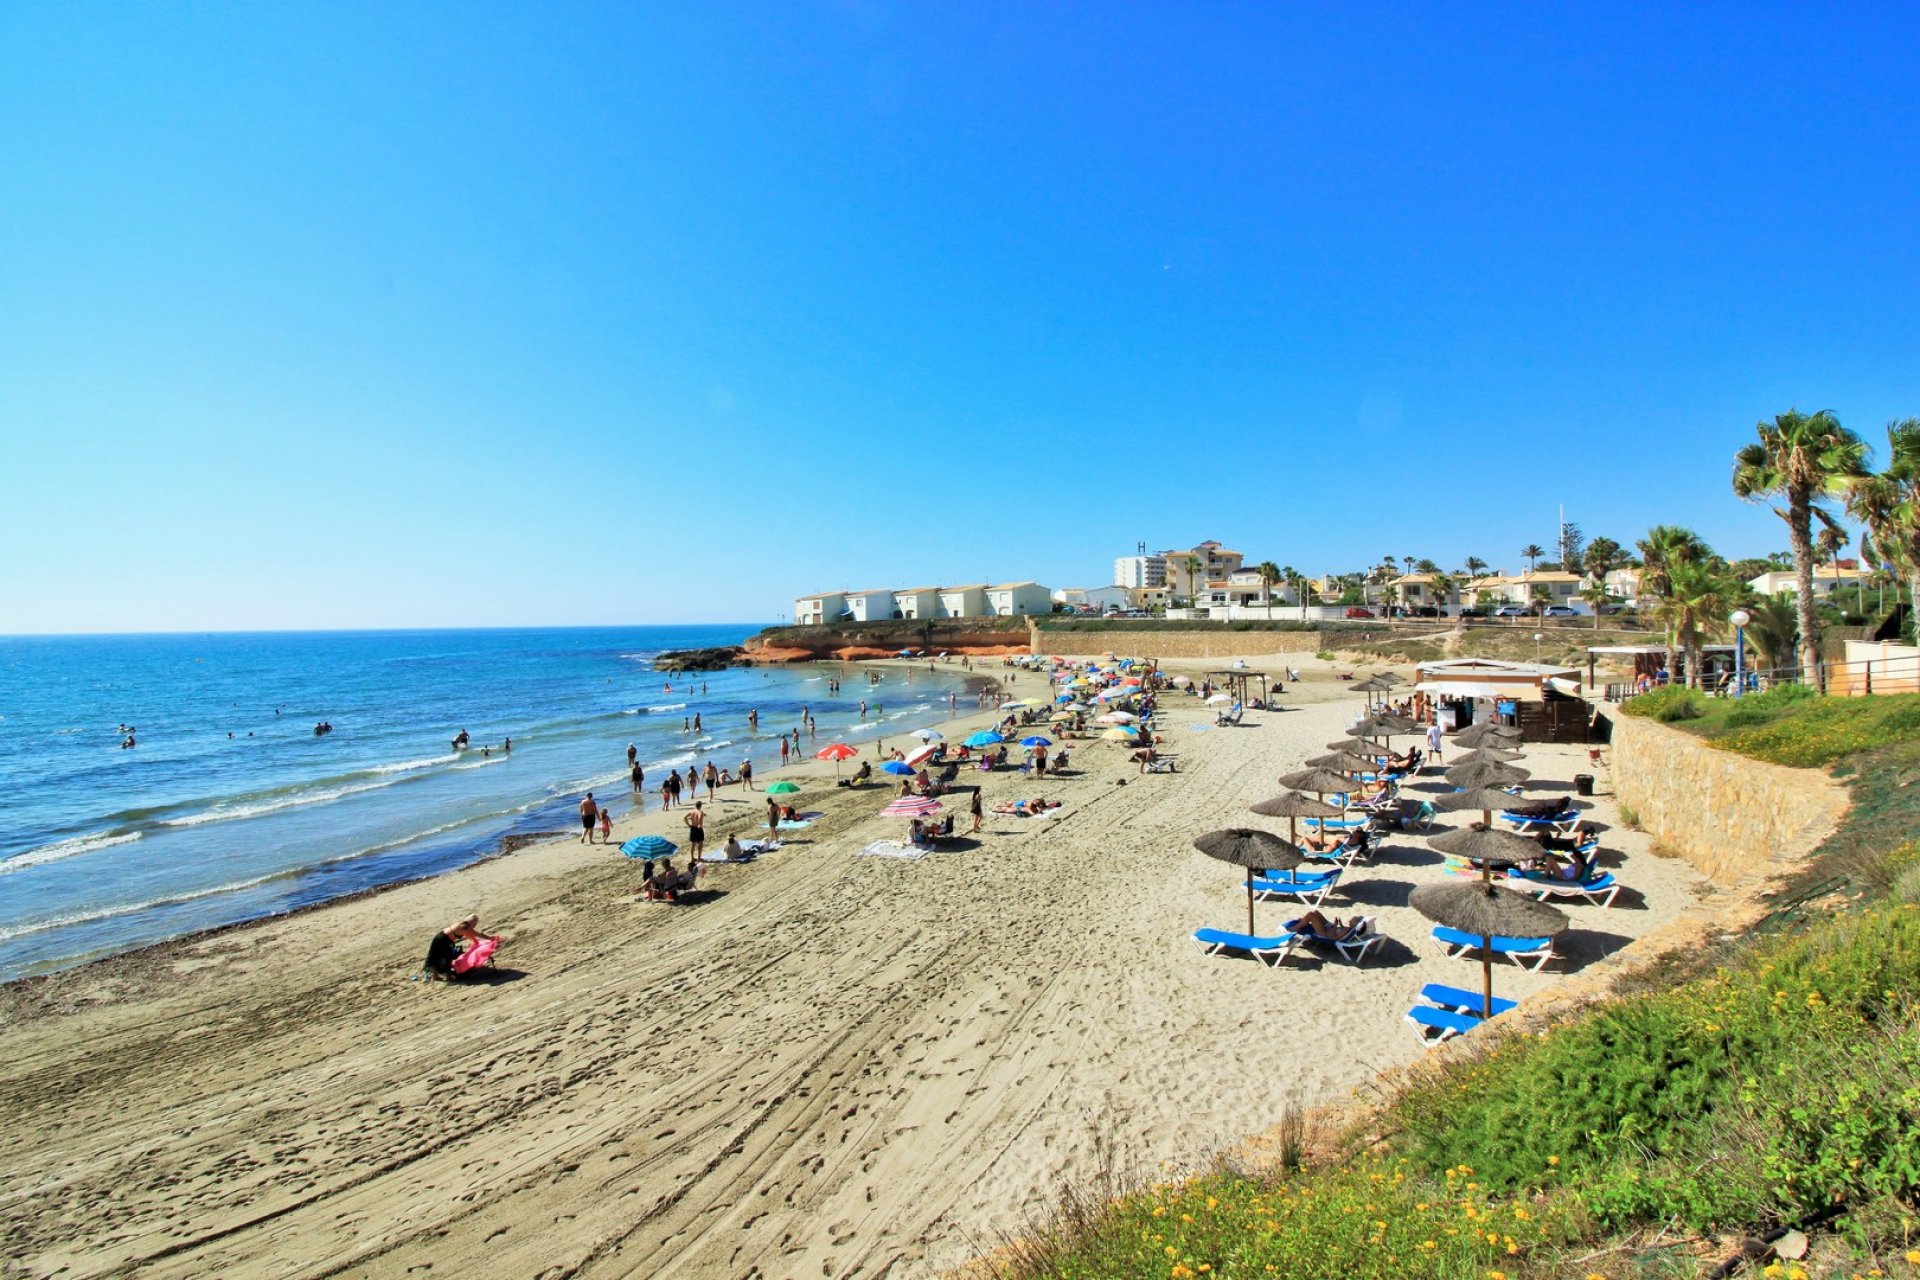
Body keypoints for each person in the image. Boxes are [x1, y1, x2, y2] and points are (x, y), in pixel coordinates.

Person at [424, 916, 496, 980]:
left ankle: (436, 975)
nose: (475, 925)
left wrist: (475, 941)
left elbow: (467, 934)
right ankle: (447, 976)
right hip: (443, 939)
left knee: (437, 955)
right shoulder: (465, 926)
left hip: (442, 937)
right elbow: (478, 934)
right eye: (475, 923)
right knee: (445, 957)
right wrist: (490, 938)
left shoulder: (463, 924)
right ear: (471, 922)